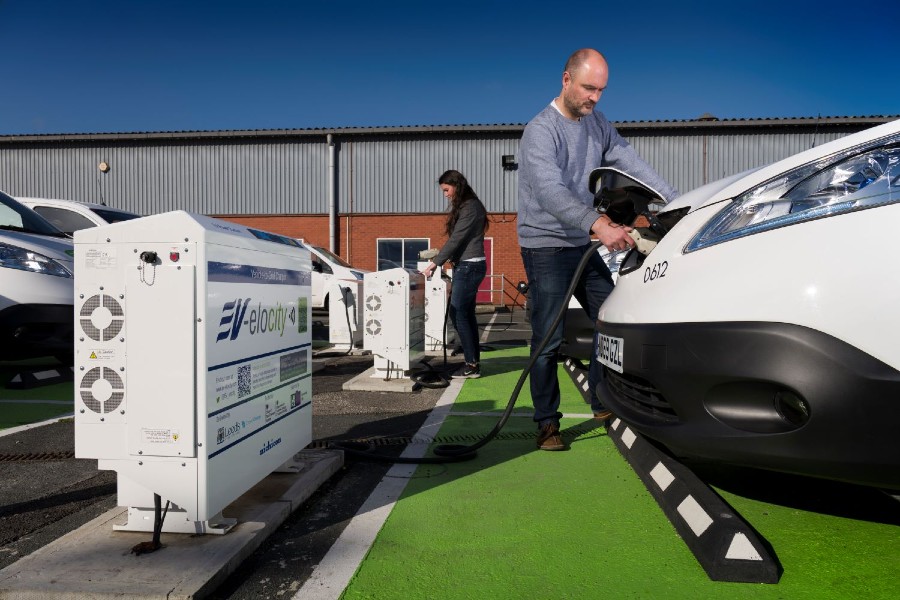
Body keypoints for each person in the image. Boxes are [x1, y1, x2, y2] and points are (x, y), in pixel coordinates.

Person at [517, 48, 679, 450]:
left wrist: (677, 206)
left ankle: (601, 402)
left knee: (610, 321)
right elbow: (551, 193)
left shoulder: (598, 124)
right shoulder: (541, 131)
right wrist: (598, 224)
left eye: (601, 90)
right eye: (589, 88)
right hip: (544, 247)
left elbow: (631, 163)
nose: (595, 98)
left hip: (578, 244)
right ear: (566, 80)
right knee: (548, 341)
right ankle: (546, 423)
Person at [421, 170, 489, 378]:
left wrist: (435, 263)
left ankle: (471, 365)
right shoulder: (468, 206)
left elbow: (457, 238)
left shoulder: (471, 207)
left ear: (457, 186)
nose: (446, 194)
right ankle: (473, 362)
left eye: (447, 190)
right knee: (464, 314)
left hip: (469, 266)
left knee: (459, 313)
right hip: (466, 266)